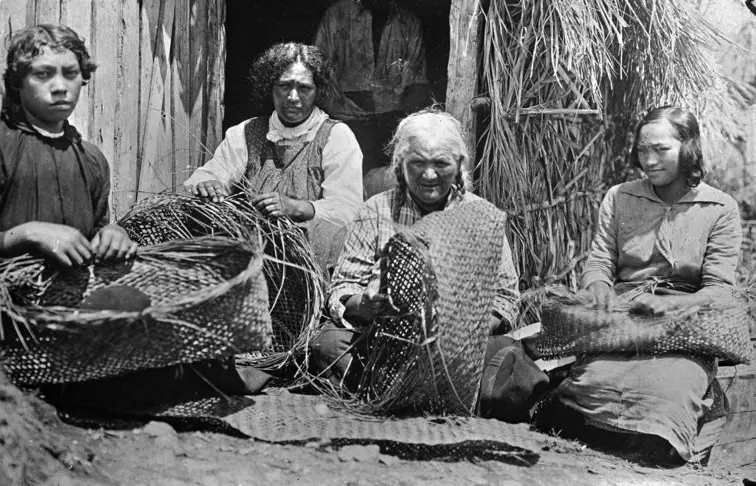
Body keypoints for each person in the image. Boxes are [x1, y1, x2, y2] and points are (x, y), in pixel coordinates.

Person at [310, 109, 545, 420]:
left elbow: (505, 300)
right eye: (417, 163)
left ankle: (404, 393)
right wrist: (363, 305)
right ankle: (425, 394)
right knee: (327, 346)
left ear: (459, 165)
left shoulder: (482, 216)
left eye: (441, 164)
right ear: (400, 165)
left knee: (511, 367)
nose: (429, 175)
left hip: (459, 351)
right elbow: (343, 287)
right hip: (384, 344)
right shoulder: (375, 210)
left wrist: (460, 330)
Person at [553, 106, 742, 462]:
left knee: (669, 393)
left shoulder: (719, 208)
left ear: (687, 148)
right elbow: (600, 259)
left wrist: (670, 306)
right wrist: (598, 286)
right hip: (626, 318)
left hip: (685, 324)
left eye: (661, 149)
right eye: (642, 150)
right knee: (590, 385)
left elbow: (719, 290)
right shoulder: (620, 196)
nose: (649, 161)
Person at [0, 24, 136, 289]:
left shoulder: (92, 159)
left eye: (71, 73)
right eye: (43, 74)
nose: (61, 86)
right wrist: (29, 234)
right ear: (18, 83)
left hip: (72, 309)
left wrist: (113, 234)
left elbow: (94, 233)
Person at [183, 42, 363, 272]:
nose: (292, 97)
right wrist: (210, 184)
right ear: (270, 87)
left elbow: (348, 210)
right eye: (284, 86)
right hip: (254, 257)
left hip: (312, 263)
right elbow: (212, 173)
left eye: (304, 88)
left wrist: (298, 208)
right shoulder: (246, 133)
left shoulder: (336, 136)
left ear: (318, 91)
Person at [314, 0, 430, 195]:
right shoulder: (337, 16)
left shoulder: (408, 23)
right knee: (347, 192)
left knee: (389, 190)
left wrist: (404, 127)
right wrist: (340, 109)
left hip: (391, 125)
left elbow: (418, 83)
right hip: (346, 121)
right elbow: (317, 71)